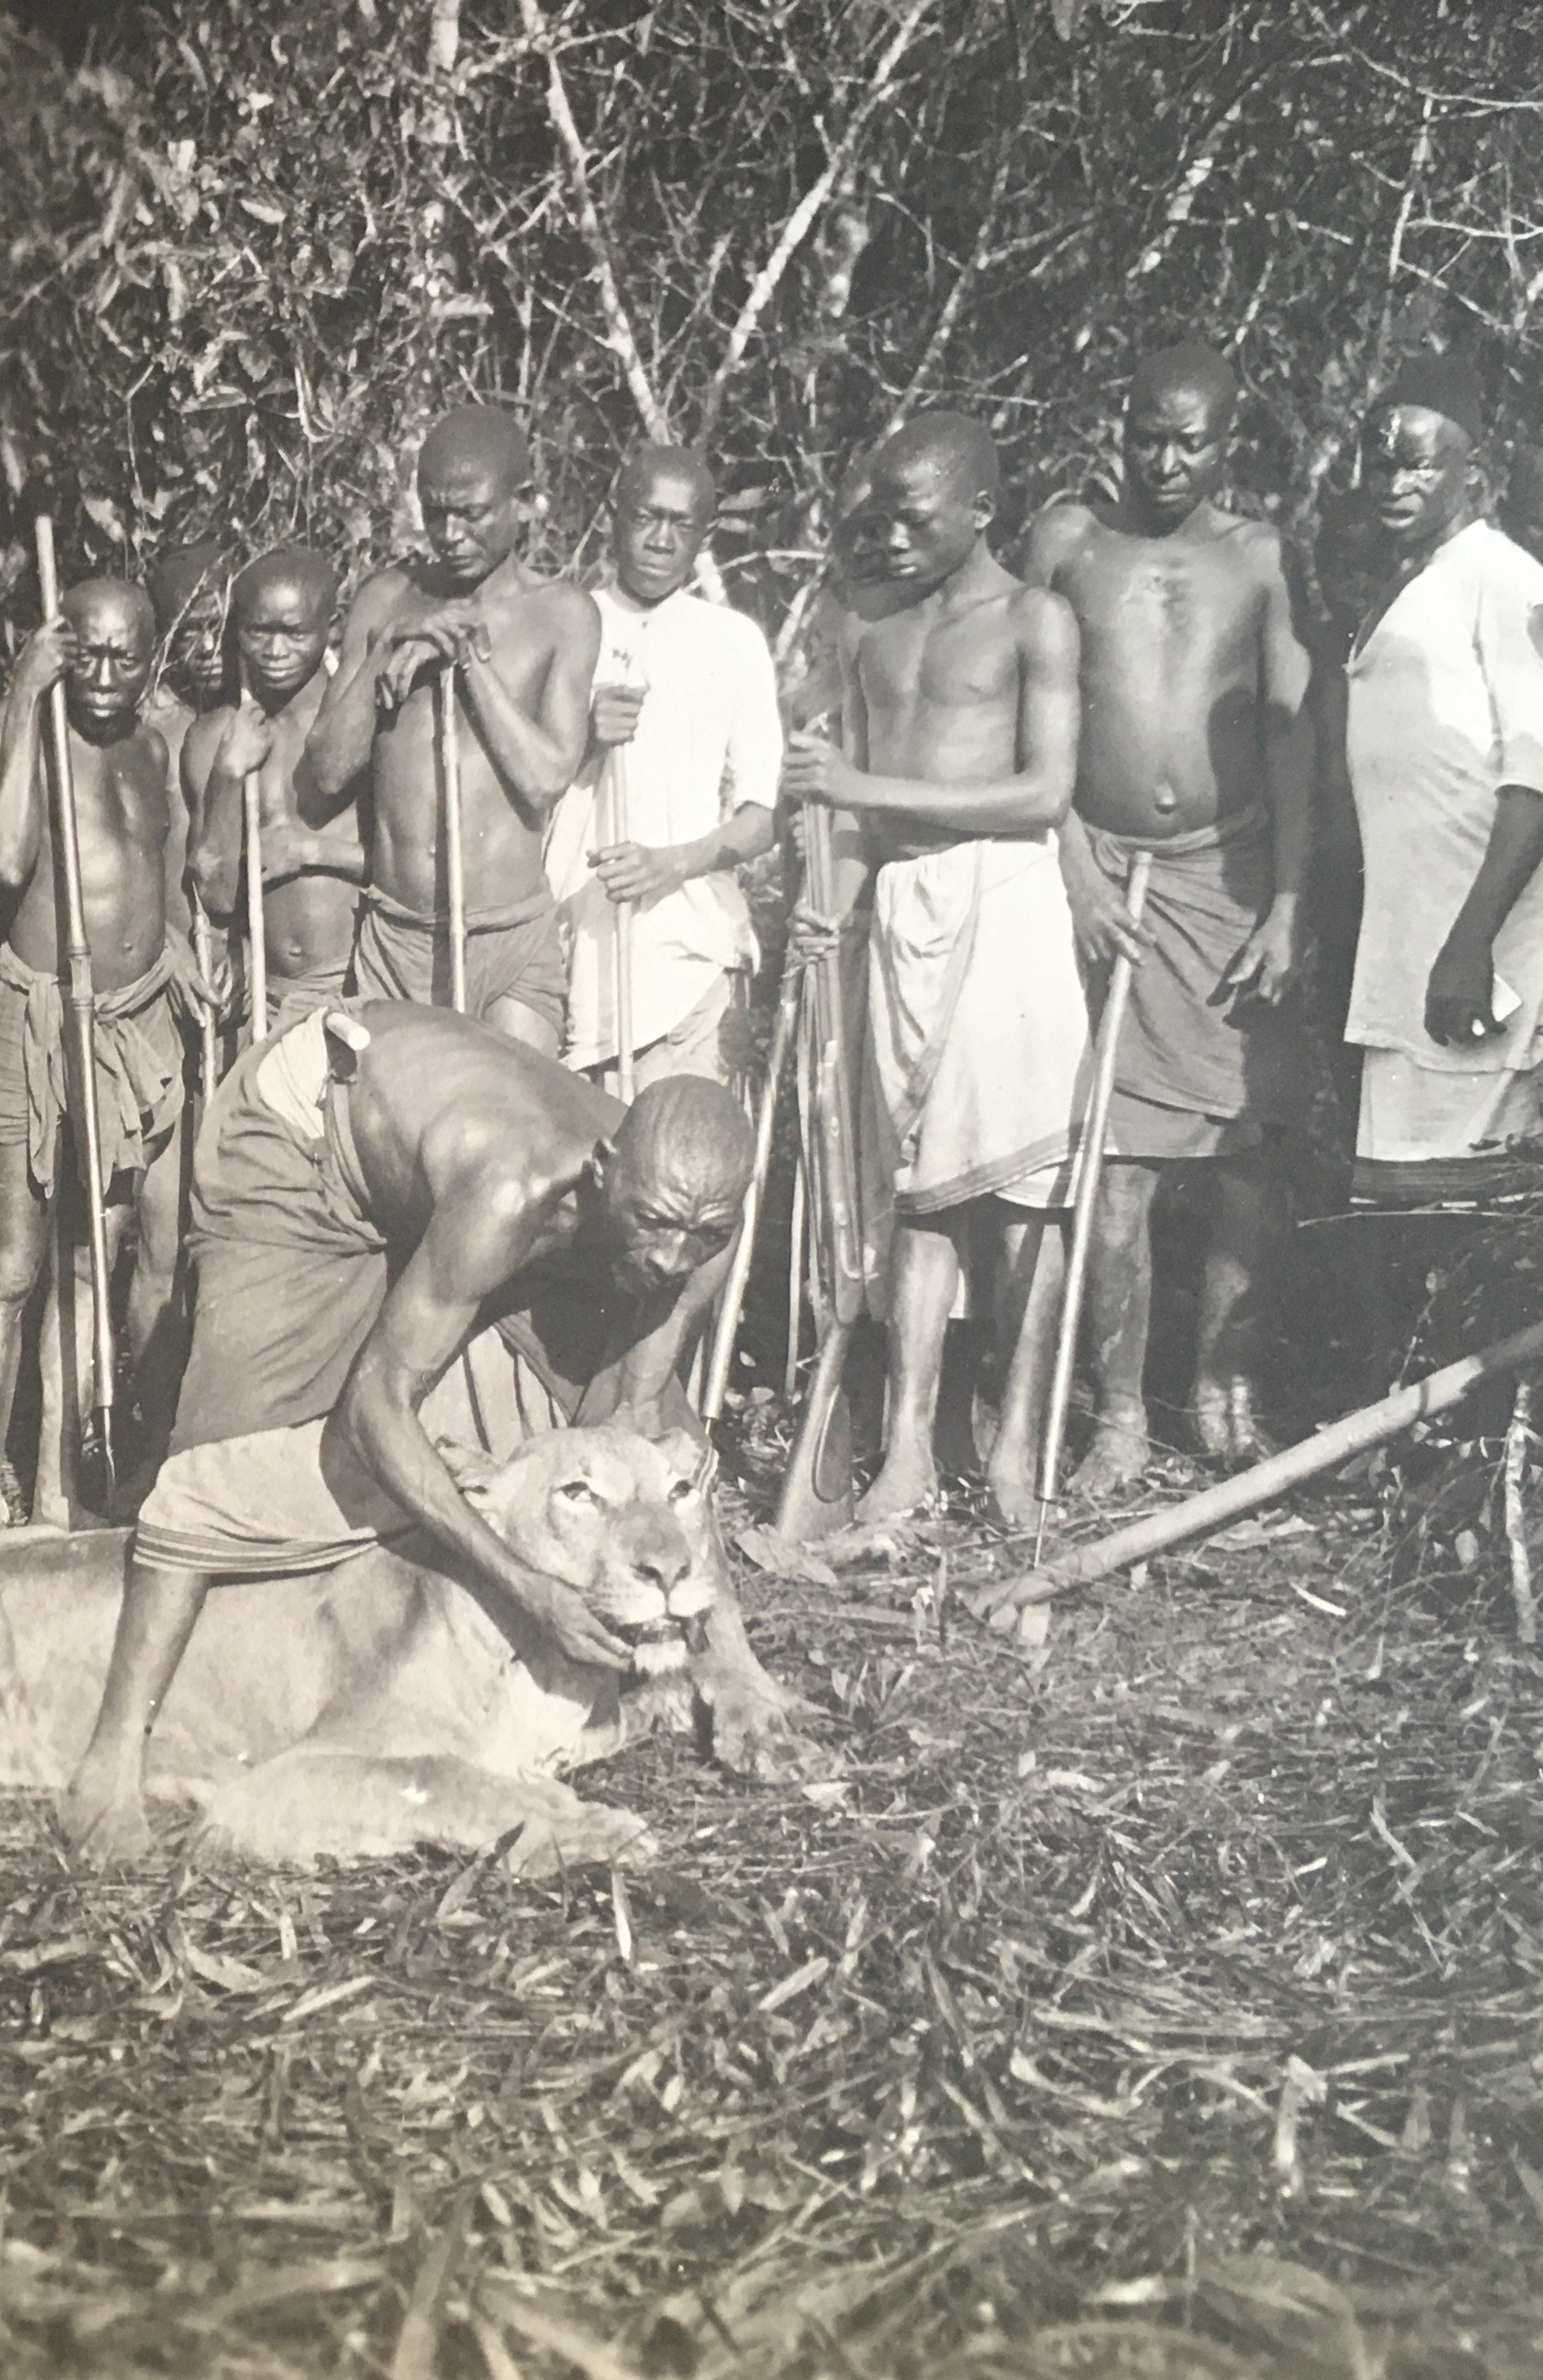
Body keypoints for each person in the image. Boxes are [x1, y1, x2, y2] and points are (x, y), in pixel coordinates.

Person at [57, 1002, 749, 1865]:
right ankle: (113, 1758)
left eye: (705, 1238)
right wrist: (531, 1590)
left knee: (623, 1438)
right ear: (606, 1171)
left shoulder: (687, 1214)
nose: (673, 1264)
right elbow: (372, 1406)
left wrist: (728, 1664)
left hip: (465, 1189)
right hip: (310, 1143)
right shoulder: (515, 1189)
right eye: (655, 1227)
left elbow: (638, 1425)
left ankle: (736, 1689)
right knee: (227, 1478)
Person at [786, 412, 1087, 1532]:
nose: (895, 538)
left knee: (1025, 1193)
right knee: (915, 1193)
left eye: (917, 519)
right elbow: (854, 825)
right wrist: (827, 908)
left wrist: (863, 796)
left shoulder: (1035, 621)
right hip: (902, 914)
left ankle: (1013, 1448)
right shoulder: (872, 633)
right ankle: (907, 1452)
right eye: (882, 516)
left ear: (978, 514)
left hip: (1007, 903)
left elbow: (1043, 794)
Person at [1024, 344, 1317, 1479]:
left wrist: (1288, 901)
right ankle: (1115, 1416)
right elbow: (1017, 709)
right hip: (1103, 883)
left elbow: (1293, 739)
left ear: (1225, 442)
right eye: (1148, 433)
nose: (1164, 459)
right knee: (1116, 1168)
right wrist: (1074, 863)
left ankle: (1221, 1390)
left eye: (1190, 440)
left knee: (1246, 1162)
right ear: (1122, 424)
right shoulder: (1065, 542)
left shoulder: (1259, 556)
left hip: (1227, 878)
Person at [1332, 353, 1543, 1205]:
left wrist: (1470, 945)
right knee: (1404, 1214)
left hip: (1491, 944)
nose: (1394, 481)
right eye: (1381, 460)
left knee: (1477, 1214)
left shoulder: (1507, 581)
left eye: (1419, 462)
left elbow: (1541, 777)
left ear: (1471, 472)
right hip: (1418, 941)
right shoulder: (1408, 585)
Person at [0, 574, 197, 1527]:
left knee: (90, 1269)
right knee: (10, 1270)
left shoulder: (156, 743)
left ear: (151, 663)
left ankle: (62, 1490)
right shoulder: (18, 728)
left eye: (123, 657)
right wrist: (27, 695)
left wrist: (182, 955)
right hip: (40, 1019)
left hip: (135, 1021)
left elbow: (166, 871)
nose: (102, 675)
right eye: (85, 654)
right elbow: (3, 860)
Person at [302, 406, 597, 1052]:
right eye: (435, 512)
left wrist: (464, 662)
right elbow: (325, 771)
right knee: (392, 1145)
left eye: (472, 513)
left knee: (513, 1138)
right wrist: (390, 646)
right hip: (395, 936)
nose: (451, 533)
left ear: (523, 505)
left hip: (508, 940)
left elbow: (546, 778)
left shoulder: (564, 615)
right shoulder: (386, 598)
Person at [556, 445, 783, 1098]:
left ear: (705, 536)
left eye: (681, 525)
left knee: (679, 1176)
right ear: (613, 517)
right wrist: (584, 740)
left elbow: (760, 819)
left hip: (690, 957)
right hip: (572, 950)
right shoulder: (567, 622)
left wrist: (672, 863)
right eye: (645, 517)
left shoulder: (732, 641)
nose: (660, 540)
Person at [186, 545, 358, 1036]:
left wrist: (314, 850)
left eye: (294, 633)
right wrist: (227, 773)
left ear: (334, 626)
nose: (275, 652)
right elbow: (216, 893)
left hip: (363, 984)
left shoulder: (358, 725)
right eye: (259, 631)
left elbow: (413, 870)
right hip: (268, 997)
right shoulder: (213, 736)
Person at [139, 541, 235, 782]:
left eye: (218, 626)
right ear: (166, 639)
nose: (208, 647)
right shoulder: (151, 725)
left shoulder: (263, 707)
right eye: (190, 631)